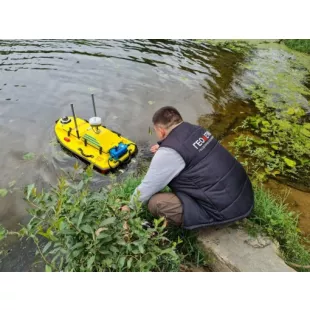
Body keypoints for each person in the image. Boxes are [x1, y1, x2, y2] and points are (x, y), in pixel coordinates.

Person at [123, 106, 254, 230]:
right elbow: (188, 147)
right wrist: (164, 146)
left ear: (161, 130)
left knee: (156, 203)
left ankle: (209, 223)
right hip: (244, 195)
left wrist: (129, 208)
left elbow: (148, 187)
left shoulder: (169, 153)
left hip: (225, 210)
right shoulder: (199, 130)